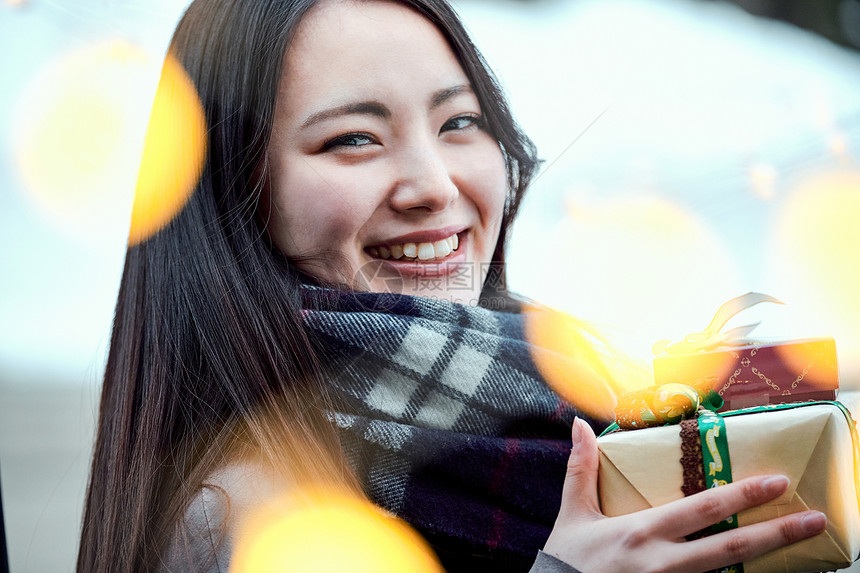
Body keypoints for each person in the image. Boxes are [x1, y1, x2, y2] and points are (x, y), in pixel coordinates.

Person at [76, 0, 828, 572]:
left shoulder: (575, 390)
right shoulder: (242, 513)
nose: (435, 186)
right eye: (354, 139)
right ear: (235, 190)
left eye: (459, 122)